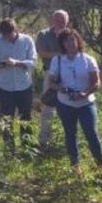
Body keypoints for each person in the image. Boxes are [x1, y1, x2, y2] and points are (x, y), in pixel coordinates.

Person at [47, 28, 102, 172]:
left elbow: (96, 82)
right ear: (62, 44)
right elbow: (51, 82)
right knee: (70, 134)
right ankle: (75, 166)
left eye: (72, 39)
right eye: (66, 41)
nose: (70, 43)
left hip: (86, 103)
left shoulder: (88, 59)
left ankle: (101, 163)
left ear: (78, 41)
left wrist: (84, 93)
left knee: (91, 132)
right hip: (65, 103)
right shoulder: (58, 60)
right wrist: (62, 90)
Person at [0, 18, 37, 152]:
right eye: (5, 35)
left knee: (26, 118)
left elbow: (33, 62)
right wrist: (2, 63)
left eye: (10, 34)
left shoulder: (27, 40)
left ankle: (27, 149)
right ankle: (9, 150)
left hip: (24, 86)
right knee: (7, 119)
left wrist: (17, 63)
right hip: (5, 87)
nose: (8, 37)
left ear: (16, 30)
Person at [35, 10, 69, 148]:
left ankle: (66, 140)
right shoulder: (43, 35)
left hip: (69, 73)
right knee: (48, 107)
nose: (61, 22)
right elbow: (42, 52)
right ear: (52, 20)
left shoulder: (70, 35)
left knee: (68, 106)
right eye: (58, 19)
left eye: (63, 19)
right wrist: (60, 54)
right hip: (51, 73)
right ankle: (44, 140)